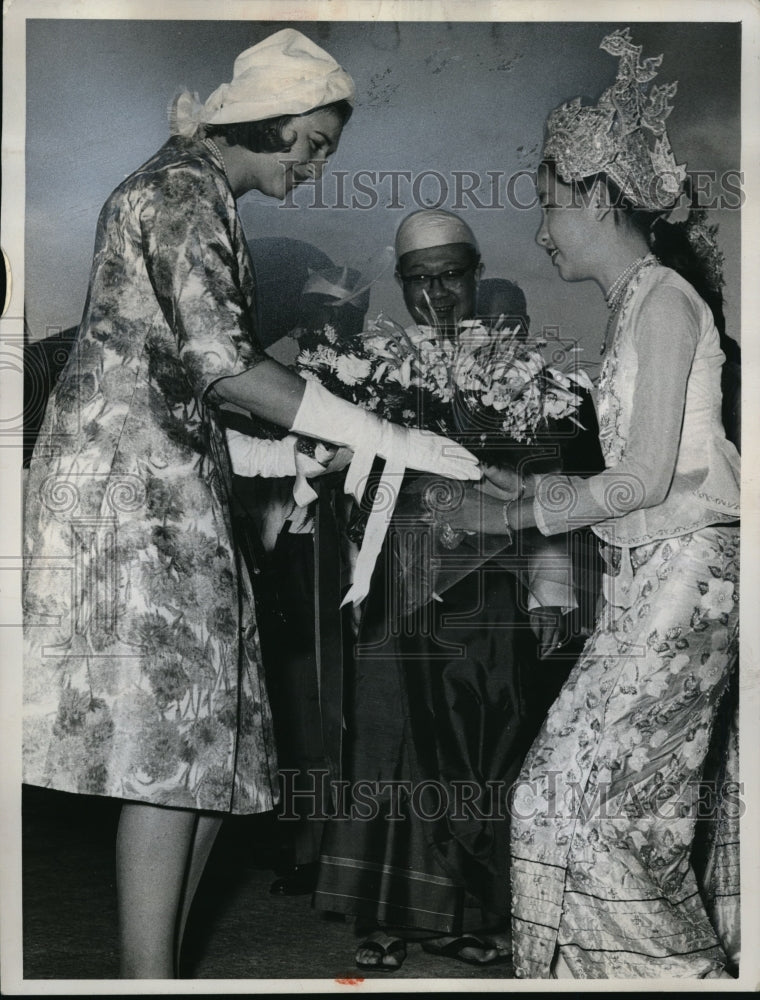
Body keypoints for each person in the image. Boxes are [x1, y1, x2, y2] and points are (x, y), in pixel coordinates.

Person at [22, 29, 479, 980]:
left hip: (162, 487)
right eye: (309, 144)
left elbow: (169, 377)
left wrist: (280, 451)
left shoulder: (191, 190)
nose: (314, 167)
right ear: (265, 126)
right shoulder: (186, 194)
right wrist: (381, 435)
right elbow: (227, 368)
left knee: (205, 754)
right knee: (168, 757)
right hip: (134, 504)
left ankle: (162, 972)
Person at [445, 28, 740, 978]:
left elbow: (650, 480)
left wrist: (517, 518)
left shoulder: (661, 302)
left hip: (693, 576)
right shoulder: (639, 305)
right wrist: (529, 487)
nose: (541, 230)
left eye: (550, 204)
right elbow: (641, 477)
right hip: (658, 572)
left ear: (599, 198)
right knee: (561, 800)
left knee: (593, 807)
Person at [313, 208, 594, 971]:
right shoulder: (369, 365)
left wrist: (551, 593)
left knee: (482, 742)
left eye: (451, 277)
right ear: (401, 284)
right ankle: (384, 914)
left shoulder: (528, 371)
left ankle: (467, 912)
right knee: (385, 743)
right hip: (393, 581)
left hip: (488, 587)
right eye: (419, 280)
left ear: (475, 273)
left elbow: (549, 493)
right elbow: (335, 475)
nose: (437, 293)